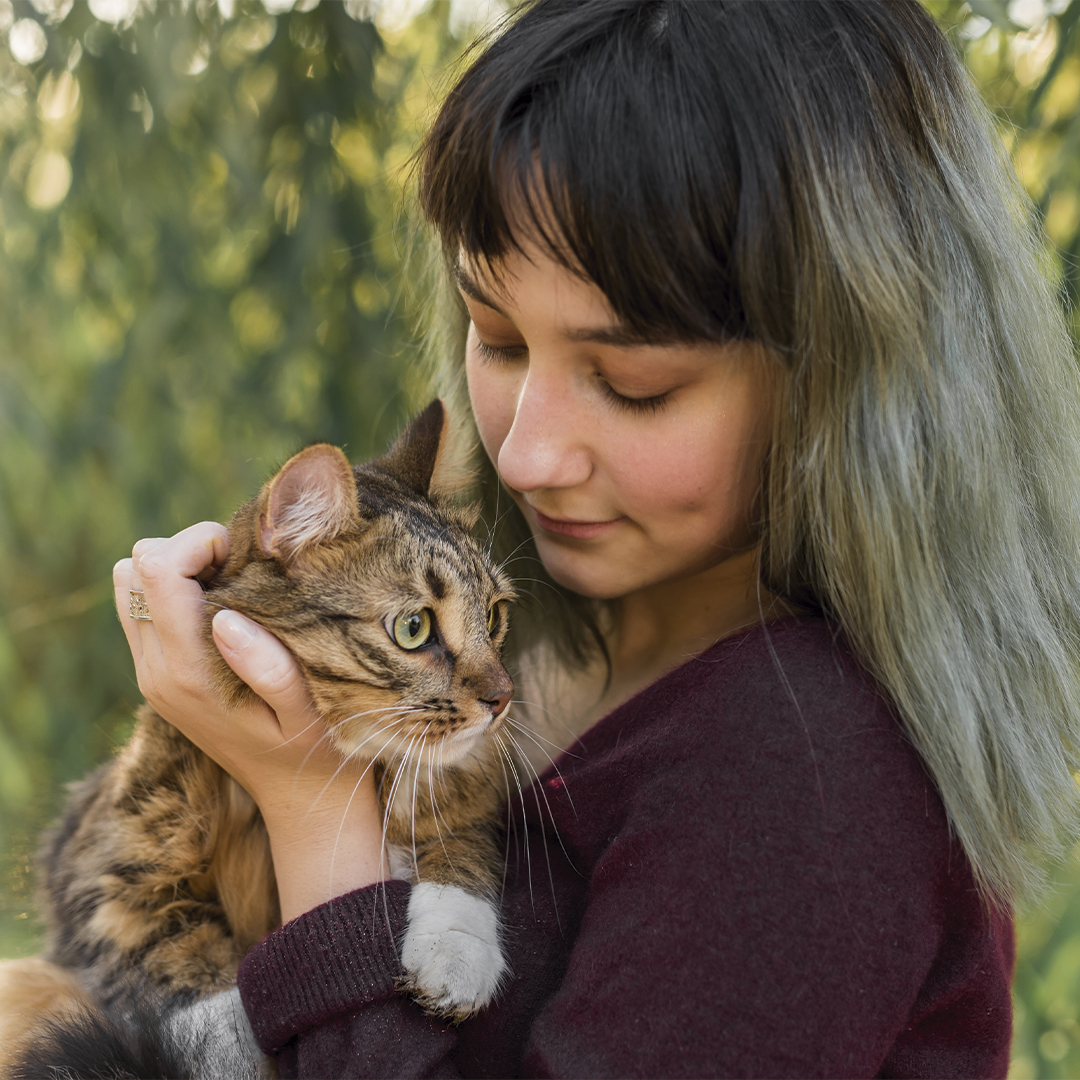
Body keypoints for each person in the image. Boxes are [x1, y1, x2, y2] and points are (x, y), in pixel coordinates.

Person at [112, 1, 1080, 1076]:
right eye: (497, 338)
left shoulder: (805, 769)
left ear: (850, 386)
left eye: (633, 384)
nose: (525, 456)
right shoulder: (543, 636)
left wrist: (307, 805)